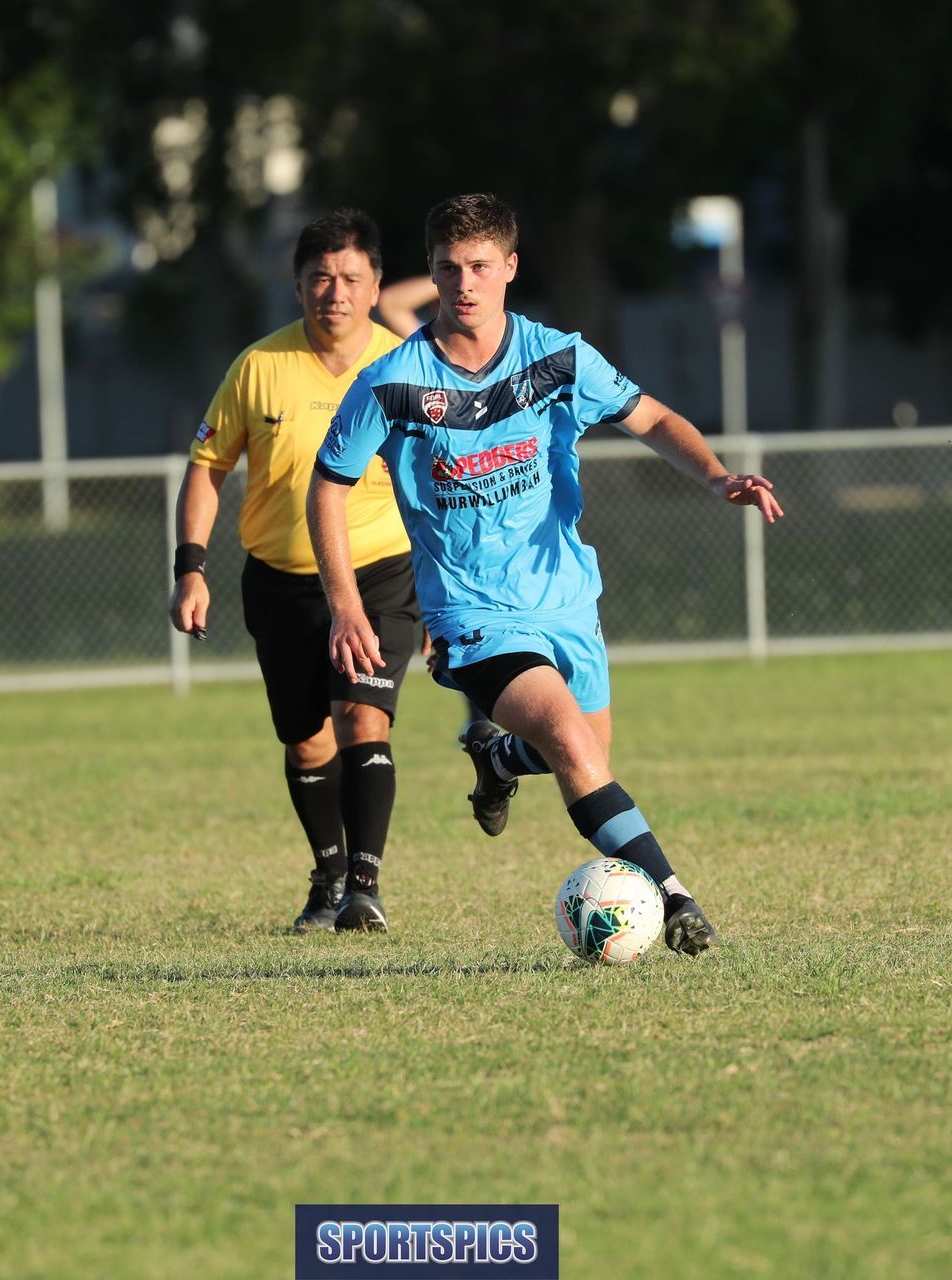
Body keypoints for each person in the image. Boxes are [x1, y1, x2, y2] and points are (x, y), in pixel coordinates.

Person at [308, 192, 785, 957]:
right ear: (430, 274)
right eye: (446, 269)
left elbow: (654, 418)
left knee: (587, 756)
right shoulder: (392, 382)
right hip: (470, 615)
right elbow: (327, 483)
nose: (463, 284)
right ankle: (676, 897)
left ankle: (497, 758)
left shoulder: (558, 357)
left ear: (510, 269)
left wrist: (715, 475)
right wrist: (345, 604)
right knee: (569, 738)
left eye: (479, 268)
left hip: (567, 600)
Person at [168, 208, 425, 934]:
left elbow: (441, 476)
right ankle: (329, 872)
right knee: (307, 738)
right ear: (298, 285)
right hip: (281, 582)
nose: (334, 292)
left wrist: (443, 588)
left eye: (350, 278)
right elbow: (208, 467)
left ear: (376, 286)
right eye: (320, 277)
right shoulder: (258, 367)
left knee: (362, 717)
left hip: (379, 569)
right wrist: (192, 568)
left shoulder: (406, 367)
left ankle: (365, 889)